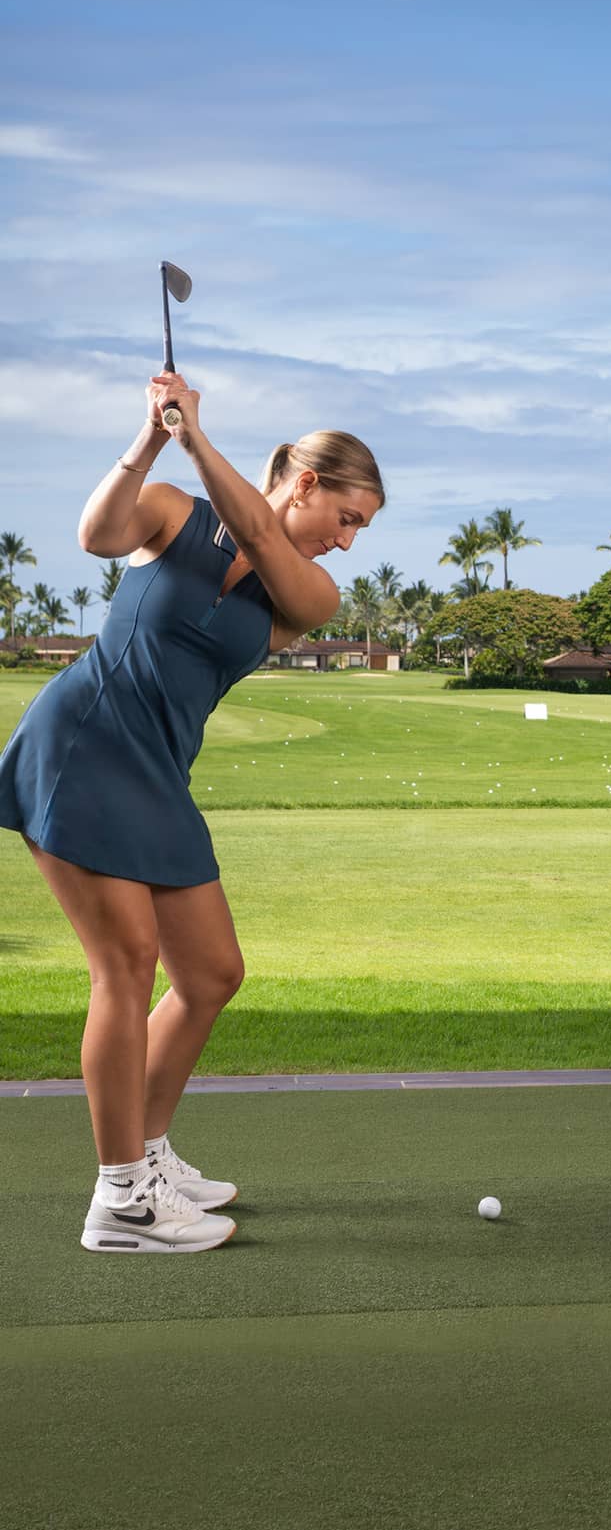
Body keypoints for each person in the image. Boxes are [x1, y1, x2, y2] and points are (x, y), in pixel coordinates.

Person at [0, 373, 383, 1251]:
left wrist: (199, 438)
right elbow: (96, 533)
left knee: (211, 971)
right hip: (83, 744)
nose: (351, 543)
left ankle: (150, 1150)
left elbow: (254, 526)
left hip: (158, 771)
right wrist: (151, 440)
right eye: (348, 517)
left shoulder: (305, 598)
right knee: (127, 965)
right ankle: (122, 1198)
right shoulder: (172, 510)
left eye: (363, 529)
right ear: (307, 483)